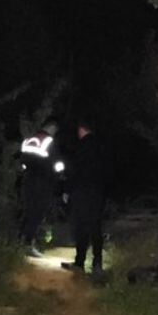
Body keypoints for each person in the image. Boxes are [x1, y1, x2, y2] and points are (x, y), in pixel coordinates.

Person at [60, 118, 113, 275]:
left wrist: (67, 190)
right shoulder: (102, 148)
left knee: (81, 226)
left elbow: (74, 171)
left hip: (81, 192)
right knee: (95, 226)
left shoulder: (81, 147)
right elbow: (107, 172)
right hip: (97, 192)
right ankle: (97, 264)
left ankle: (80, 262)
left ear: (81, 130)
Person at [18, 119, 64, 258]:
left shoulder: (28, 140)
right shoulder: (49, 142)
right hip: (43, 182)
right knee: (37, 213)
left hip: (27, 180)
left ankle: (18, 241)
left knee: (27, 211)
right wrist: (60, 175)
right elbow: (56, 164)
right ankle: (28, 244)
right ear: (52, 128)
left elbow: (22, 161)